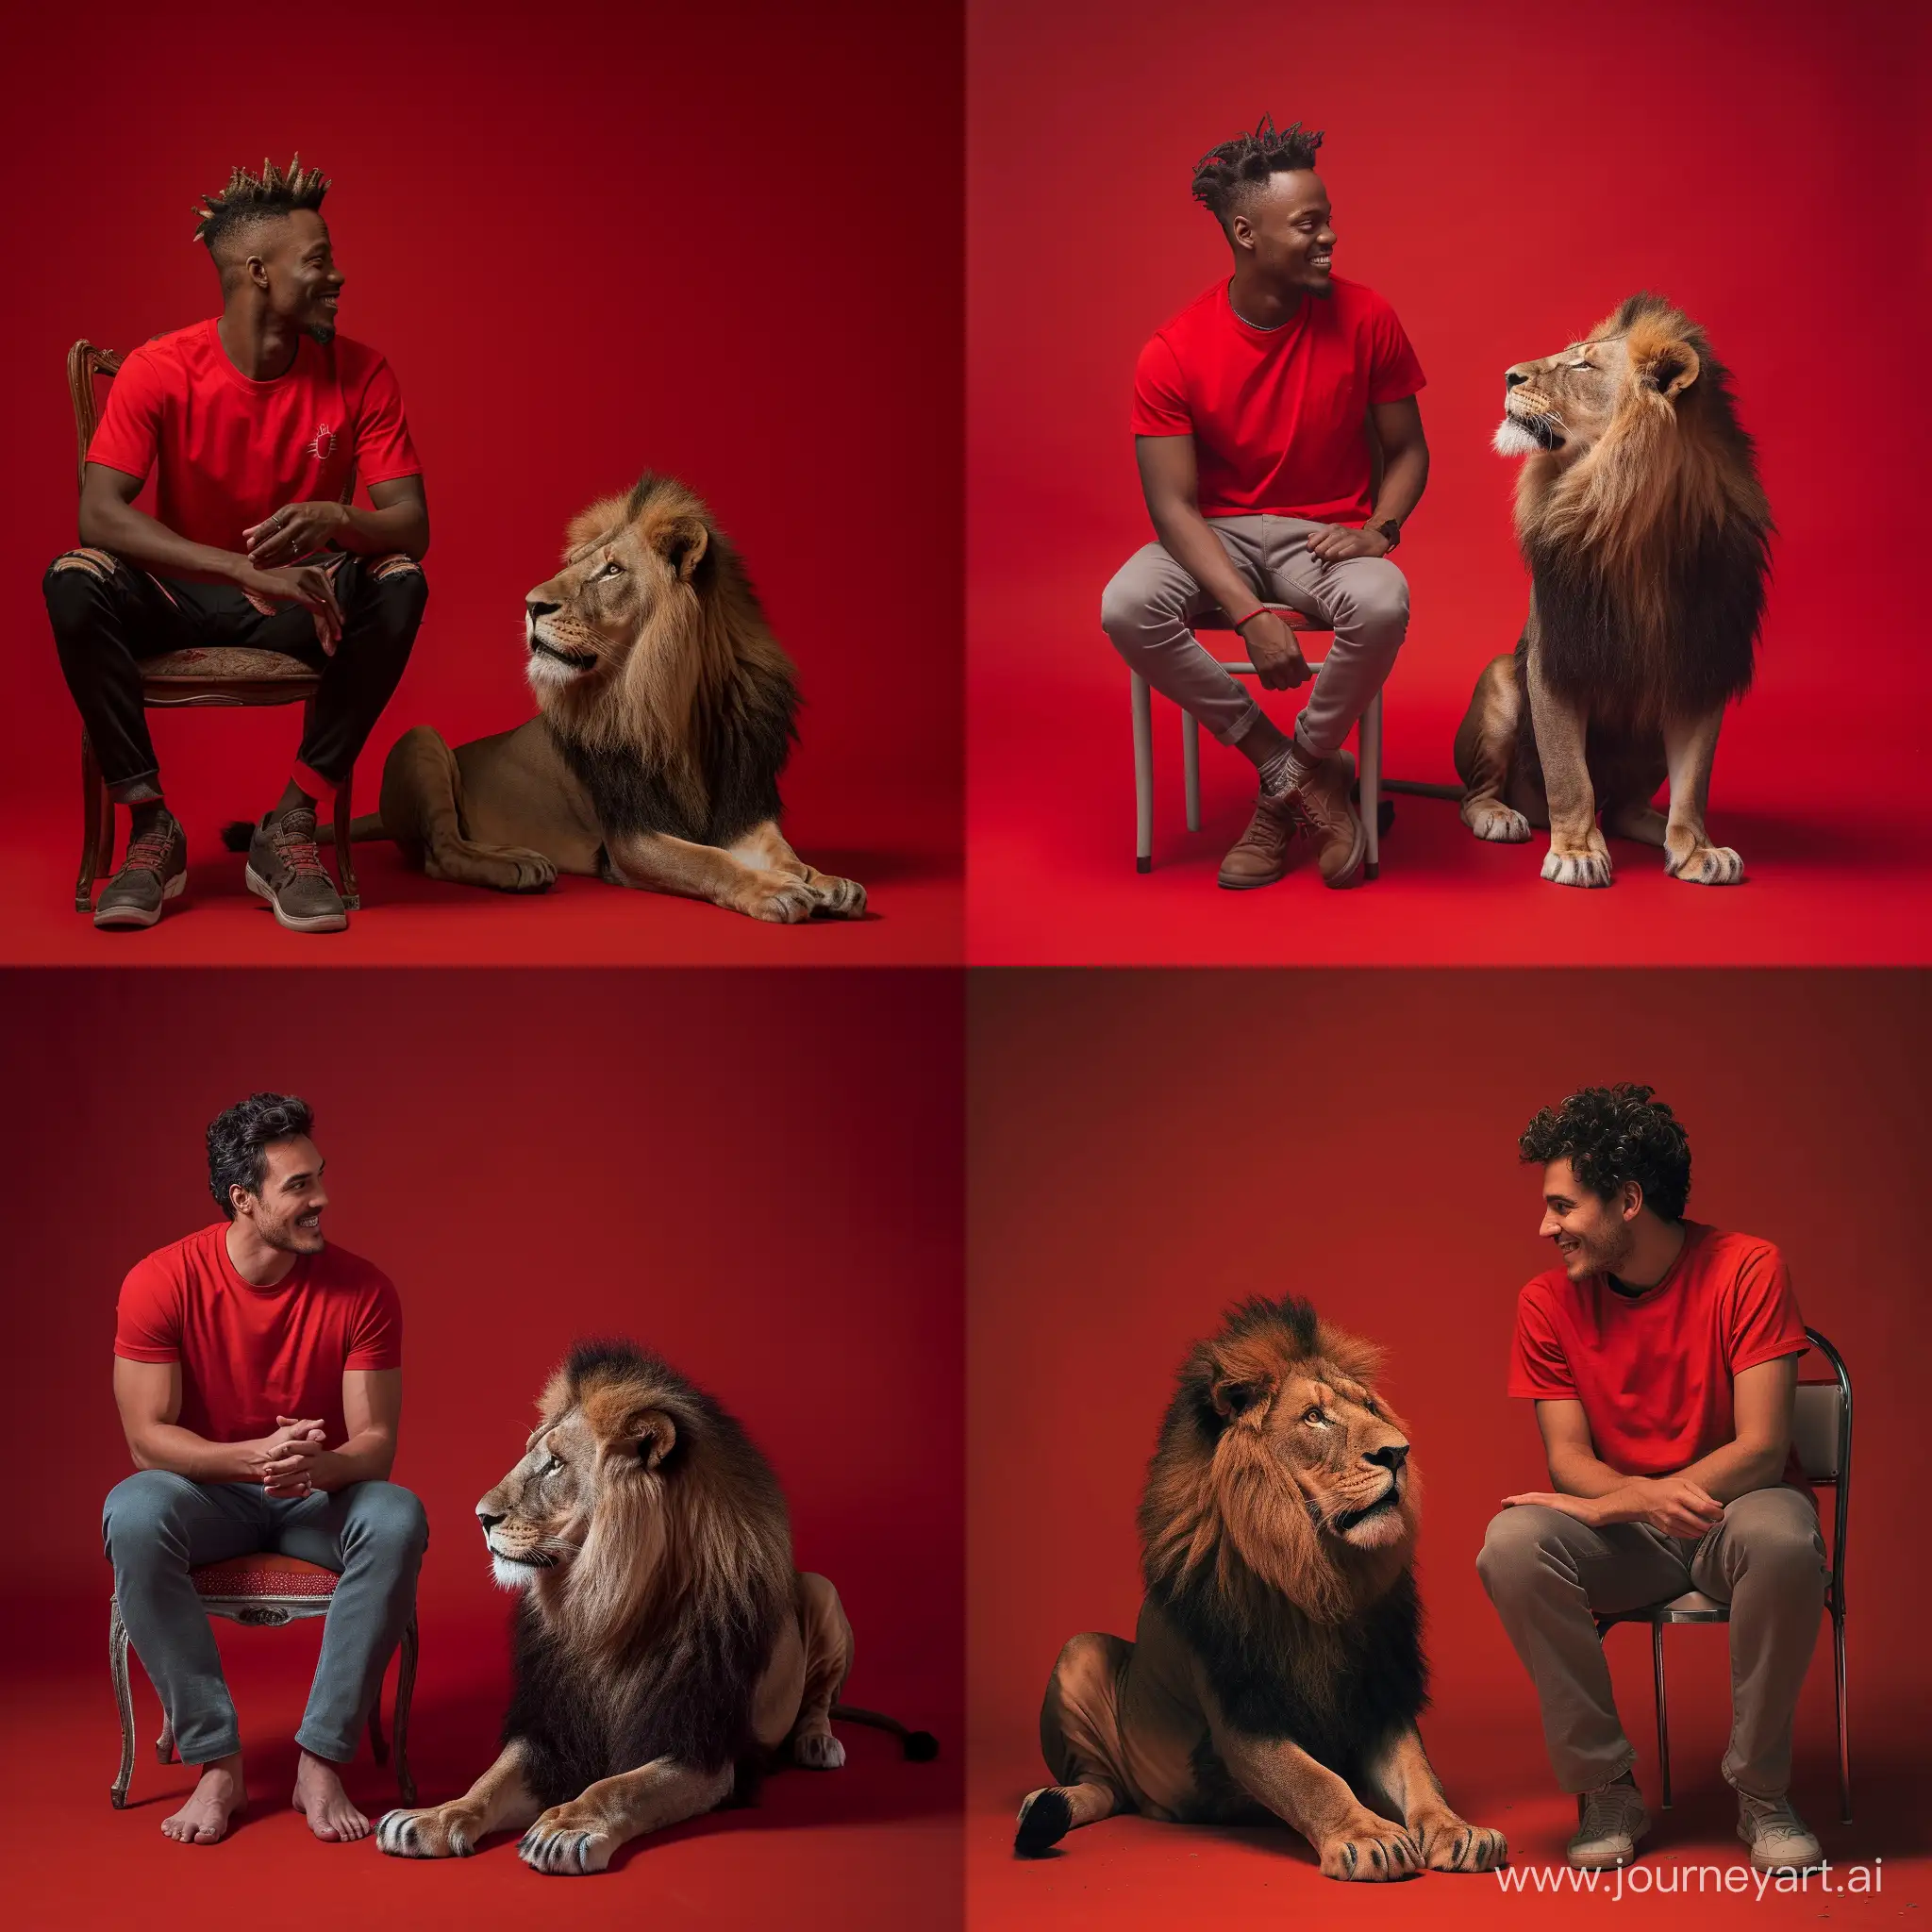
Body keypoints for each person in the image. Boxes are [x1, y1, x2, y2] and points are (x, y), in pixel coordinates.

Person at [45, 156, 430, 933]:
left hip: (303, 601)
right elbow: (99, 515)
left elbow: (411, 526)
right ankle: (150, 825)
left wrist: (335, 518)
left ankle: (290, 825)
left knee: (398, 579)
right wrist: (239, 567)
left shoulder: (363, 373)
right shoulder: (160, 368)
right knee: (72, 576)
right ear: (257, 271)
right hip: (177, 596)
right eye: (318, 261)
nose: (338, 276)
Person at [1477, 1085, 1828, 1875]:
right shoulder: (1545, 1303)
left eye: (1563, 1206)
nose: (1546, 1227)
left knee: (1784, 1536)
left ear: (1628, 1200)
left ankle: (1763, 1792)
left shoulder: (1748, 1268)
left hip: (1733, 1519)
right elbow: (1567, 1462)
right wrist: (1636, 1500)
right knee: (1511, 1543)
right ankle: (1605, 1785)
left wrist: (1640, 1495)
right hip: (1629, 1536)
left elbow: (1763, 1449)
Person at [1102, 116, 1428, 891]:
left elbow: (1409, 450)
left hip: (1322, 538)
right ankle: (1283, 768)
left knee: (1383, 604)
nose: (1330, 238)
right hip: (1218, 536)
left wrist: (1379, 530)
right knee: (1126, 604)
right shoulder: (1173, 350)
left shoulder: (1369, 317)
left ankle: (1302, 771)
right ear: (1246, 233)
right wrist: (1247, 616)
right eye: (1308, 225)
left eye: (1328, 220)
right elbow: (1172, 507)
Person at [103, 1093, 426, 1846]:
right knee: (134, 1508)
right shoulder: (158, 1281)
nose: (321, 1199)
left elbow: (376, 1445)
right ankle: (216, 1762)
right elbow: (147, 1440)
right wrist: (244, 1460)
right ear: (242, 1200)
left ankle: (322, 1757)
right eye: (298, 1186)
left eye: (319, 1176)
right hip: (205, 1497)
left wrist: (320, 1466)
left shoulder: (366, 1289)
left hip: (312, 1500)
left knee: (396, 1514)